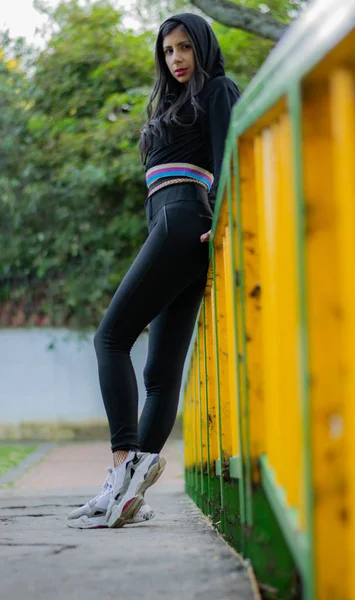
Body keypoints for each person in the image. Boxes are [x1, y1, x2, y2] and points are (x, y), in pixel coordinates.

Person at [67, 13, 240, 529]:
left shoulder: (219, 90)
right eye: (168, 51)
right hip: (170, 226)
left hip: (186, 220)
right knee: (160, 375)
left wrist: (226, 222)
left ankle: (121, 467)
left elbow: (233, 159)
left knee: (110, 338)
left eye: (185, 47)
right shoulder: (170, 102)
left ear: (202, 46)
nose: (177, 58)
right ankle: (128, 497)